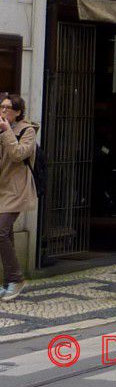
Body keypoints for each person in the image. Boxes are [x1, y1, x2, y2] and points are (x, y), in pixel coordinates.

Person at [0, 93, 38, 301]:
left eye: (7, 108)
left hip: (16, 190)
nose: (3, 111)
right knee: (6, 235)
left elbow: (18, 154)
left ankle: (16, 279)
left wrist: (6, 132)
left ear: (18, 112)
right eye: (1, 107)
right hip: (2, 188)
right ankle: (9, 282)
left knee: (1, 232)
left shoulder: (27, 130)